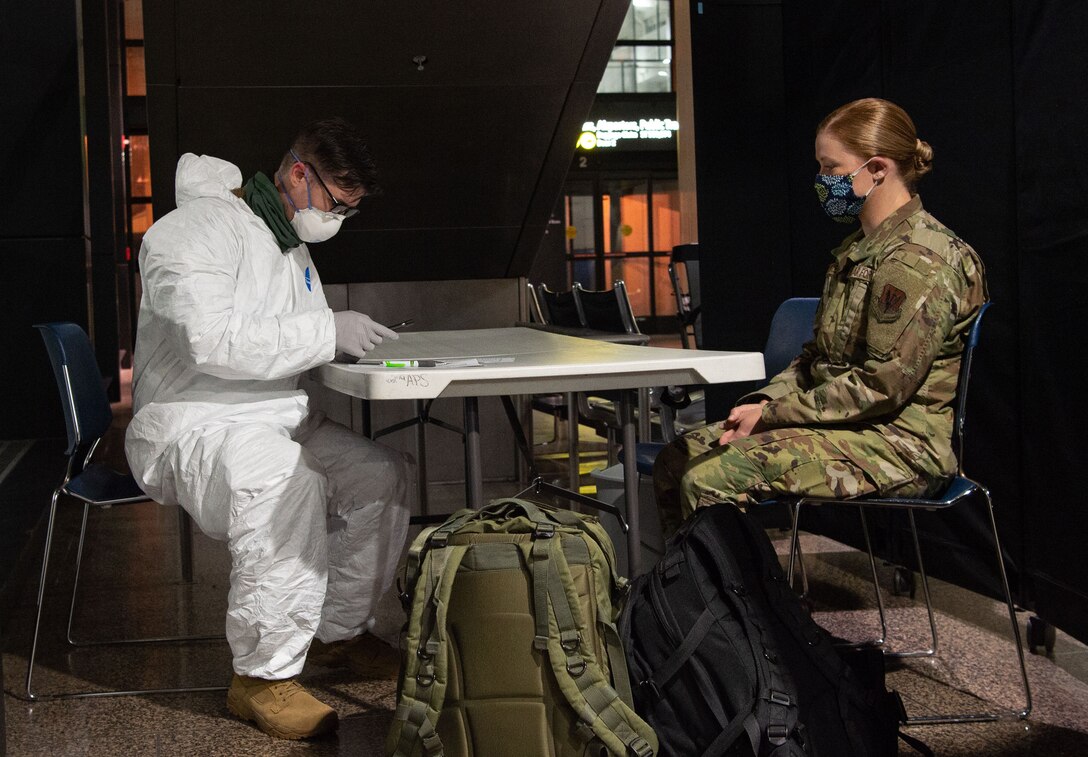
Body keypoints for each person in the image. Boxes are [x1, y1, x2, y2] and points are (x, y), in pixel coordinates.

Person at [125, 118, 413, 740]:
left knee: (379, 474)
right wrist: (326, 331)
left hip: (269, 414)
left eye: (349, 211)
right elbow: (209, 341)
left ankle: (336, 635)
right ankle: (262, 677)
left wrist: (345, 342)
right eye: (336, 203)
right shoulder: (190, 233)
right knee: (287, 481)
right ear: (297, 173)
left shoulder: (288, 247)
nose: (336, 219)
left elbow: (290, 343)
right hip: (191, 419)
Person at [654, 98, 988, 537]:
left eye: (832, 169)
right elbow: (815, 360)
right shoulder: (856, 252)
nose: (822, 181)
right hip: (847, 428)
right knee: (676, 460)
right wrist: (763, 403)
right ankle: (681, 597)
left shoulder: (919, 260)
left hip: (899, 443)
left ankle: (735, 605)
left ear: (877, 169)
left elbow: (881, 387)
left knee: (711, 477)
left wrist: (773, 416)